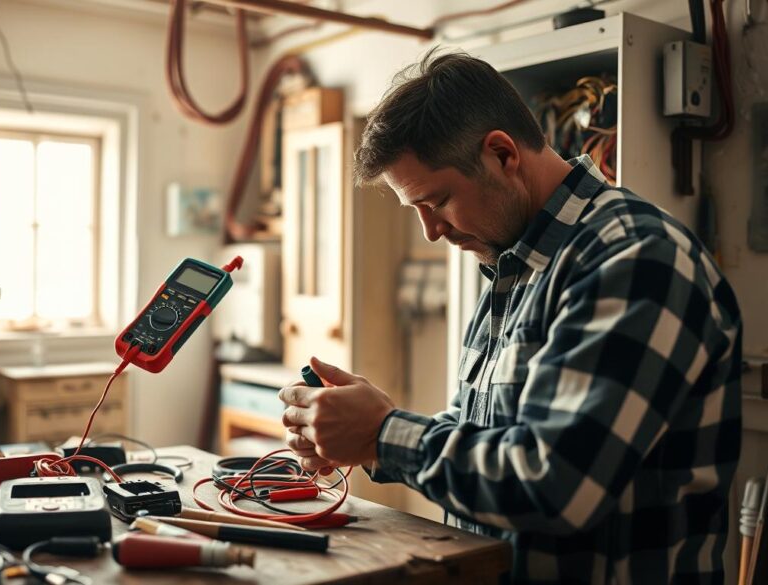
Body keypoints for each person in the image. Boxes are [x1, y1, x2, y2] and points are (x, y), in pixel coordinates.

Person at [278, 50, 742, 584]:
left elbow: (558, 483)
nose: (432, 232)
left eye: (439, 201)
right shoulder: (516, 263)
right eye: (417, 211)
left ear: (502, 154)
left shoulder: (634, 259)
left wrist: (384, 433)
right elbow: (491, 434)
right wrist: (365, 438)